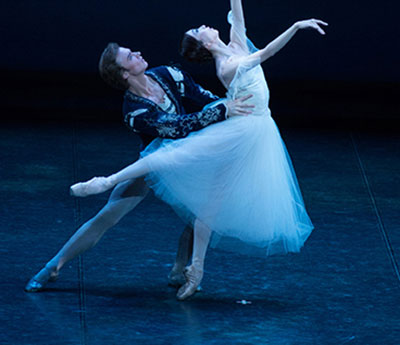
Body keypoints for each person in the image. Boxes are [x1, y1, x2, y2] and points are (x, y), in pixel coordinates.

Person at [70, 0, 327, 300]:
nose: (206, 25)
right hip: (239, 126)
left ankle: (196, 270)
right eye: (200, 29)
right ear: (204, 43)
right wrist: (298, 26)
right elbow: (267, 53)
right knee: (172, 154)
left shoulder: (236, 38)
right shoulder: (226, 65)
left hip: (259, 128)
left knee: (210, 207)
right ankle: (105, 182)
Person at [24, 40, 253, 293]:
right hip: (154, 163)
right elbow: (176, 126)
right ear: (124, 73)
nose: (139, 53)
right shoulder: (135, 112)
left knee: (199, 215)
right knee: (108, 215)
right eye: (131, 56)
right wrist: (222, 111)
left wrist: (232, 106)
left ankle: (178, 271)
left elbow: (202, 97)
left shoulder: (168, 74)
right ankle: (54, 265)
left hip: (187, 158)